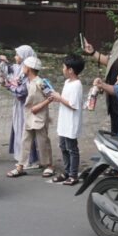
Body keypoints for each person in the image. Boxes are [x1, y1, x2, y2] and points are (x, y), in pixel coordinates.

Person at [6, 57, 54, 178]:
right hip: (28, 116)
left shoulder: (41, 82)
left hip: (39, 117)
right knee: (25, 141)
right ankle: (20, 166)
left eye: (24, 66)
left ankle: (49, 165)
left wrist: (39, 106)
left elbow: (51, 96)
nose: (22, 69)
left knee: (43, 141)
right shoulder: (26, 81)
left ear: (29, 69)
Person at [0, 45, 40, 168]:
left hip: (26, 105)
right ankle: (23, 157)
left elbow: (22, 91)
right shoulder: (18, 68)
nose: (15, 57)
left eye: (17, 55)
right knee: (19, 129)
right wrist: (2, 62)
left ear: (24, 57)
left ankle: (28, 159)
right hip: (19, 105)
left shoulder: (28, 71)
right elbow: (6, 72)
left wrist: (9, 86)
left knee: (24, 131)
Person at [48, 55, 85, 185]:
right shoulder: (67, 82)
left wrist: (59, 98)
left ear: (70, 70)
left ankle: (73, 175)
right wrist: (57, 97)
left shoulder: (77, 85)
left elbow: (73, 105)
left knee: (72, 148)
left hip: (71, 123)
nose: (62, 69)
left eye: (64, 67)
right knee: (63, 146)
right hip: (64, 121)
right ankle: (67, 171)